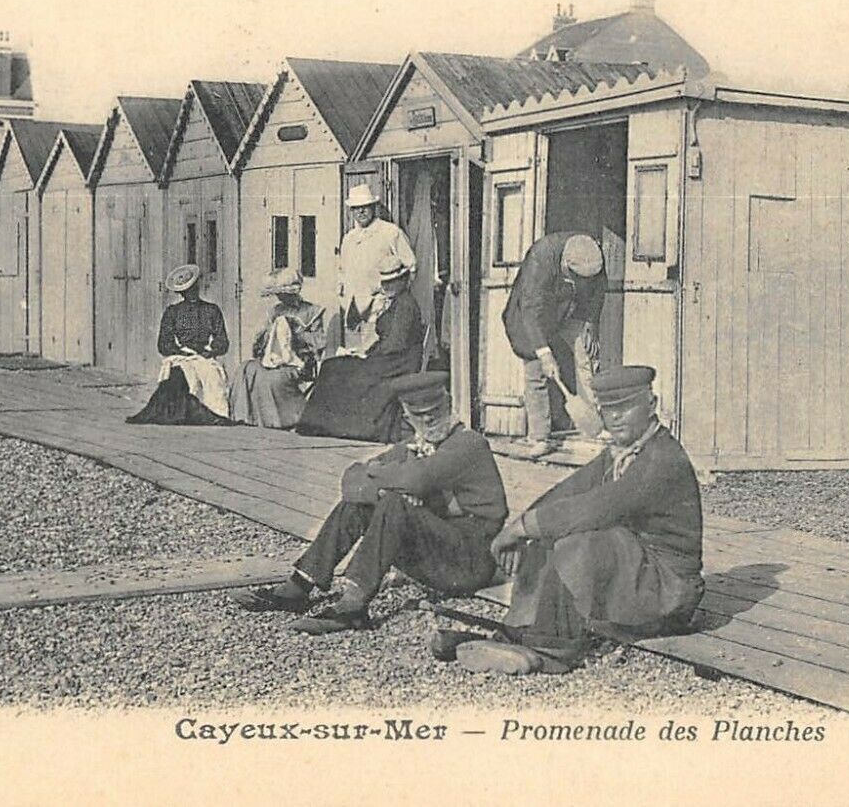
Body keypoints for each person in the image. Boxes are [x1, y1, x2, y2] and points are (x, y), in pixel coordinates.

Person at [441, 365, 704, 676]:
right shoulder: (623, 452)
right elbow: (568, 492)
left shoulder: (662, 458)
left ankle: (552, 652)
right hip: (640, 576)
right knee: (547, 529)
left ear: (651, 405)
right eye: (608, 409)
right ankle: (517, 632)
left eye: (625, 407)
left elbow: (599, 506)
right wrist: (522, 528)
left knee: (581, 539)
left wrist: (522, 528)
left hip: (670, 593)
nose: (615, 417)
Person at [234, 371, 508, 634]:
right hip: (438, 553)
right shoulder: (415, 445)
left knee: (394, 502)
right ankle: (300, 584)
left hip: (469, 561)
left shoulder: (468, 444)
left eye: (435, 412)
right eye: (420, 415)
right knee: (361, 504)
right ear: (407, 416)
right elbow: (351, 481)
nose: (429, 420)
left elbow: (416, 480)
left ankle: (353, 605)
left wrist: (378, 475)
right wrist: (381, 487)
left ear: (449, 405)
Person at [294, 254, 425, 442]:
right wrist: (365, 352)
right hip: (388, 358)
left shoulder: (405, 305)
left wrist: (367, 355)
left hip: (397, 364)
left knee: (335, 368)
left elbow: (396, 344)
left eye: (392, 282)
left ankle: (334, 426)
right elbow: (389, 341)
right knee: (333, 366)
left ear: (403, 280)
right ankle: (325, 424)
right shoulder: (397, 302)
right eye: (385, 282)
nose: (387, 286)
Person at [501, 231, 606, 458]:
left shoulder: (591, 253)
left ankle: (592, 425)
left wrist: (591, 323)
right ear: (566, 266)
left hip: (567, 309)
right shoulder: (541, 257)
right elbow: (531, 308)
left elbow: (598, 291)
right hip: (531, 314)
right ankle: (540, 437)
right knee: (537, 371)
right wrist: (544, 353)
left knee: (585, 356)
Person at [126, 264, 234, 425]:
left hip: (204, 355)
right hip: (182, 356)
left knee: (212, 378)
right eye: (186, 291)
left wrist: (211, 351)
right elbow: (164, 343)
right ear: (181, 293)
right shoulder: (173, 312)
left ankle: (216, 414)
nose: (191, 293)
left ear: (198, 287)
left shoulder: (211, 310)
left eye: (193, 288)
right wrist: (180, 352)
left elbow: (222, 340)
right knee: (178, 380)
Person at [226, 268, 327, 429]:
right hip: (273, 357)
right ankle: (244, 417)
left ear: (292, 293)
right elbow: (261, 345)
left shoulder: (312, 311)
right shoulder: (275, 311)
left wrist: (296, 333)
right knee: (246, 369)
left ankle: (283, 420)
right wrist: (267, 335)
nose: (279, 297)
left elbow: (319, 343)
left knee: (274, 379)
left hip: (298, 360)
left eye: (282, 294)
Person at [331, 184, 415, 353]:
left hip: (379, 310)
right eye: (356, 208)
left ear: (373, 207)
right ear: (351, 211)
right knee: (353, 356)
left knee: (374, 356)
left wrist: (390, 298)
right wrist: (343, 297)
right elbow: (342, 271)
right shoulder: (349, 238)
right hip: (353, 310)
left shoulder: (390, 232)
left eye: (365, 207)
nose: (361, 212)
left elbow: (411, 266)